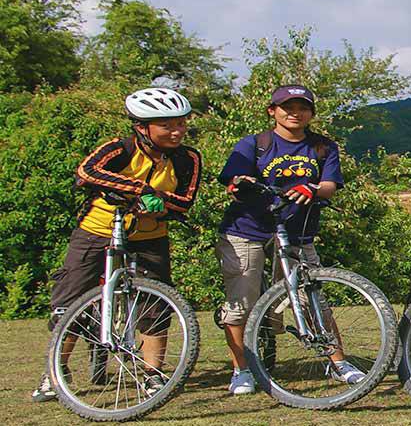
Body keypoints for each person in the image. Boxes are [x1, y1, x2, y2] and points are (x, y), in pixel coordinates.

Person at [33, 88, 202, 402]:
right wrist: (140, 189)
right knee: (70, 300)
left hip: (150, 236)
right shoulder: (119, 149)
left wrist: (160, 203)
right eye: (167, 125)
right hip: (97, 230)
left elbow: (185, 201)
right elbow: (87, 172)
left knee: (155, 303)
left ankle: (152, 374)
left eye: (181, 123)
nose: (177, 131)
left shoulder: (186, 157)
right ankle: (55, 371)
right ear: (142, 127)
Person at [214, 84, 361, 395]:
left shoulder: (322, 147)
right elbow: (233, 179)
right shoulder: (255, 144)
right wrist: (243, 181)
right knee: (242, 301)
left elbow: (331, 185)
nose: (295, 113)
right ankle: (242, 370)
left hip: (297, 230)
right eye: (287, 107)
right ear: (273, 111)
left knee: (312, 298)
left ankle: (338, 363)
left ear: (311, 113)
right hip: (247, 229)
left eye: (302, 107)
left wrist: (313, 188)